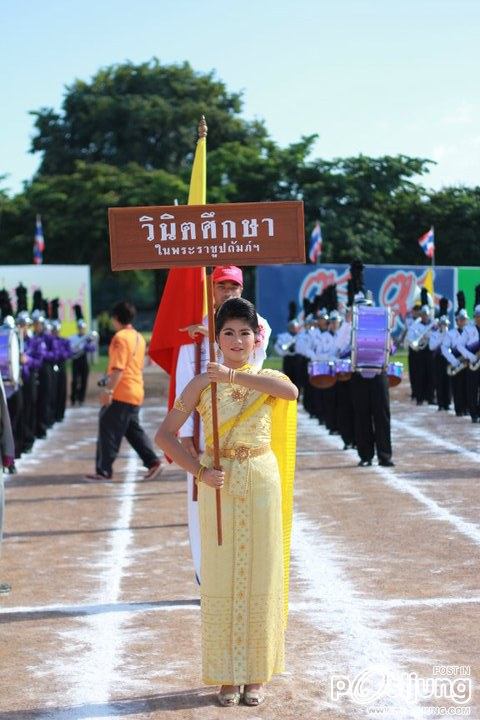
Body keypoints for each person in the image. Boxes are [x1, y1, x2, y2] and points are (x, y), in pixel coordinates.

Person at [155, 297, 298, 707]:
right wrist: (199, 472)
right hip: (219, 487)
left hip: (262, 483)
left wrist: (233, 379)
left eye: (244, 333)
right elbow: (164, 436)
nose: (237, 340)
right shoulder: (201, 383)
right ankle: (226, 676)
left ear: (257, 340)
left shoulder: (267, 377)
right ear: (216, 339)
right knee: (221, 579)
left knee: (261, 574)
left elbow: (289, 392)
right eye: (228, 333)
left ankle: (256, 675)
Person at [86, 302, 162, 481]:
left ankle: (103, 470)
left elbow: (119, 368)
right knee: (131, 430)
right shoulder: (138, 337)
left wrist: (109, 390)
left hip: (122, 391)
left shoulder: (120, 337)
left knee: (107, 425)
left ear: (115, 318)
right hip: (135, 389)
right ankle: (153, 462)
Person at [70, 319, 96, 406]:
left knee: (84, 380)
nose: (81, 329)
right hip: (76, 360)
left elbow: (93, 348)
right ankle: (73, 398)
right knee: (74, 380)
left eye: (83, 328)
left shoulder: (87, 338)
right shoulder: (73, 338)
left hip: (84, 360)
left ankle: (81, 399)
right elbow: (72, 349)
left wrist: (87, 345)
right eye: (80, 328)